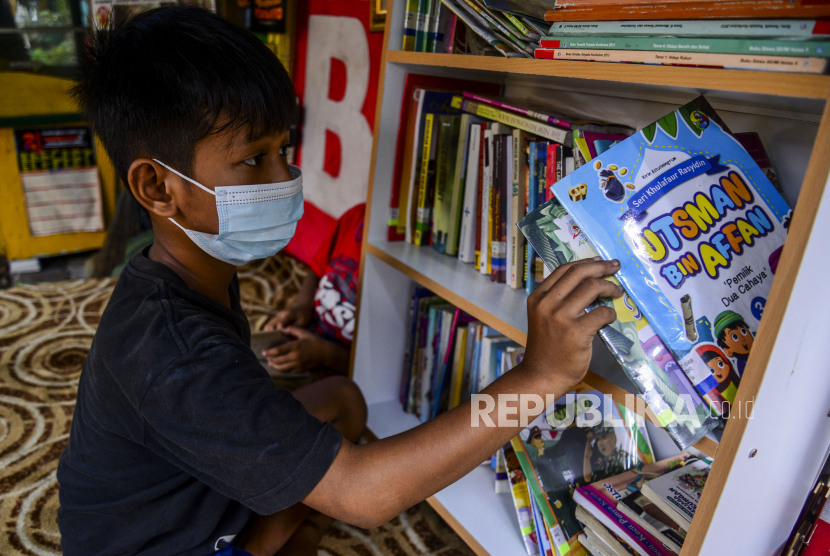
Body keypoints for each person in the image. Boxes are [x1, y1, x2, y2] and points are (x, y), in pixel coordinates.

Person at [56, 7, 624, 556]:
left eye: (283, 148)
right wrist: (539, 378)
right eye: (254, 160)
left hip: (191, 496)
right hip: (156, 545)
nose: (286, 177)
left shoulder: (179, 277)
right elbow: (365, 495)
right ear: (158, 188)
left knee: (342, 399)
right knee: (348, 470)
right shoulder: (174, 356)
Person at [260, 203, 365, 376]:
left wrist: (326, 355)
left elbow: (378, 375)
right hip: (309, 334)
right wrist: (302, 305)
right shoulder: (357, 216)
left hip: (339, 367)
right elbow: (317, 270)